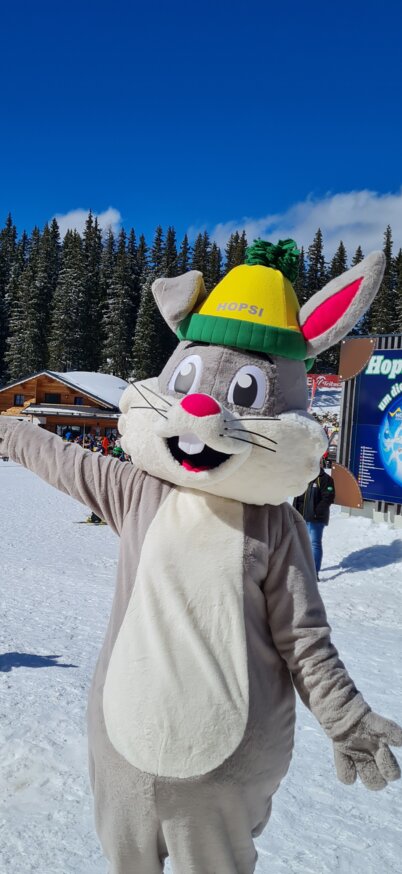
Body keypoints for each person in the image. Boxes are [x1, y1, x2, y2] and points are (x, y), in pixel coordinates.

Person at [293, 460, 335, 578]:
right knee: (302, 543)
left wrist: (316, 512)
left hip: (315, 519)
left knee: (314, 544)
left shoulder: (326, 479)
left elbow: (328, 497)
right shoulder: (304, 479)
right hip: (302, 517)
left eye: (317, 463)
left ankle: (313, 572)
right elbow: (297, 498)